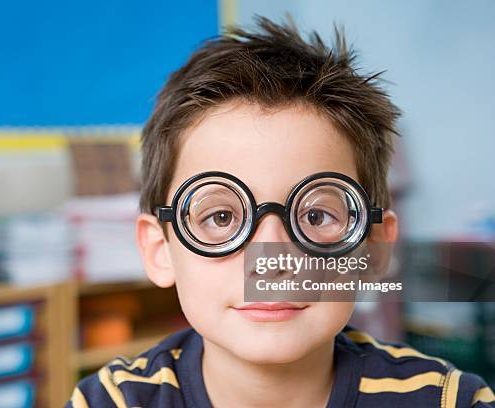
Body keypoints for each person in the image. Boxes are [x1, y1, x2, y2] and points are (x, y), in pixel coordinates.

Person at [65, 16, 495, 407]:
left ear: (375, 250)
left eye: (315, 217)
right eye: (221, 218)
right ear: (160, 249)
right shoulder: (113, 402)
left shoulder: (446, 400)